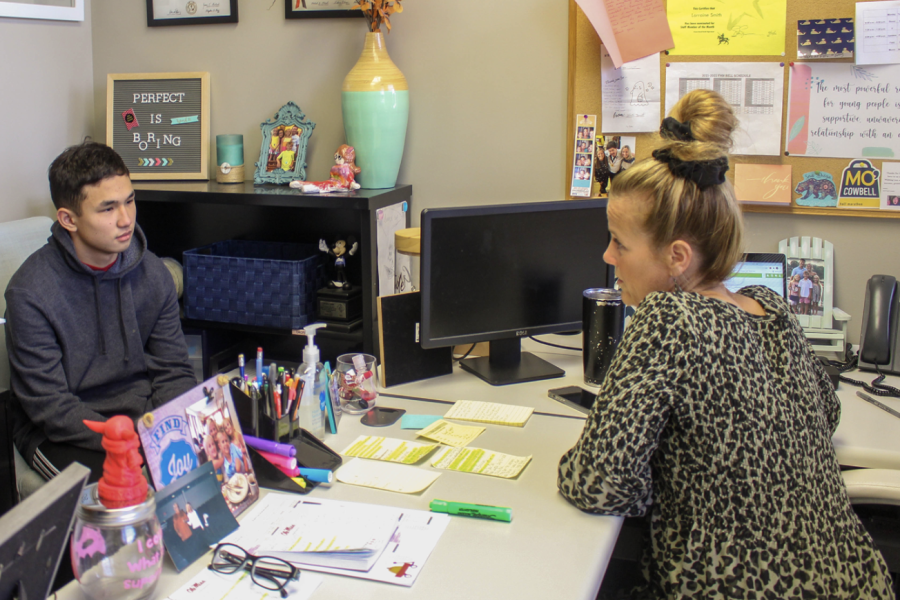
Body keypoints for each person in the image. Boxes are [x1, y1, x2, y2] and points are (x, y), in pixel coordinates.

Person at [557, 89, 893, 598]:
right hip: (856, 582)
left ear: (677, 257)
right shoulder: (771, 307)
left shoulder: (669, 317)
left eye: (620, 243)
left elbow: (598, 482)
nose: (608, 255)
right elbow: (825, 414)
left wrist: (658, 481)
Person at [4, 142, 198, 483]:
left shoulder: (153, 275)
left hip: (141, 422)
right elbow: (49, 406)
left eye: (129, 201)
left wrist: (161, 428)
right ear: (69, 219)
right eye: (107, 209)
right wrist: (119, 438)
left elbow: (173, 371)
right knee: (124, 495)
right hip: (64, 433)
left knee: (215, 470)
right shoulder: (30, 293)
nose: (126, 219)